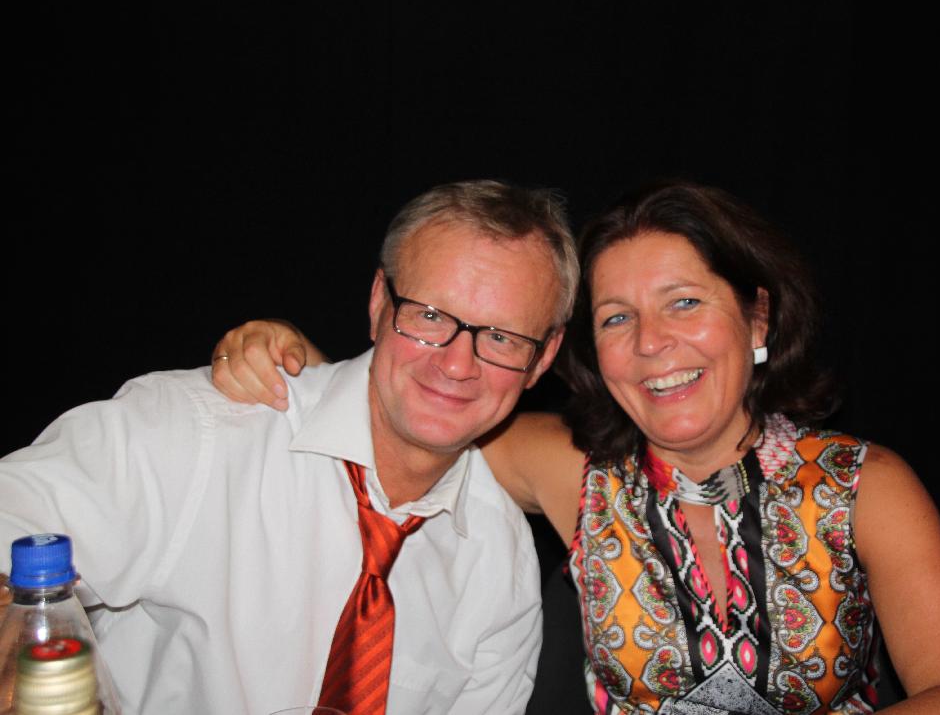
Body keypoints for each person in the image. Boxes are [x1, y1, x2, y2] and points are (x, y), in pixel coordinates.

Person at [211, 181, 940, 714]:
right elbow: (412, 411)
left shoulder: (863, 484)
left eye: (683, 303)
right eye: (616, 318)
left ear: (757, 317)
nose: (651, 343)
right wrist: (298, 360)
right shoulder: (570, 471)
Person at [0, 179, 579, 714]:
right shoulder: (200, 432)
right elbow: (14, 526)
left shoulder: (498, 563)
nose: (456, 363)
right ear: (379, 302)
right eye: (429, 316)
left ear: (544, 358)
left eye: (501, 337)